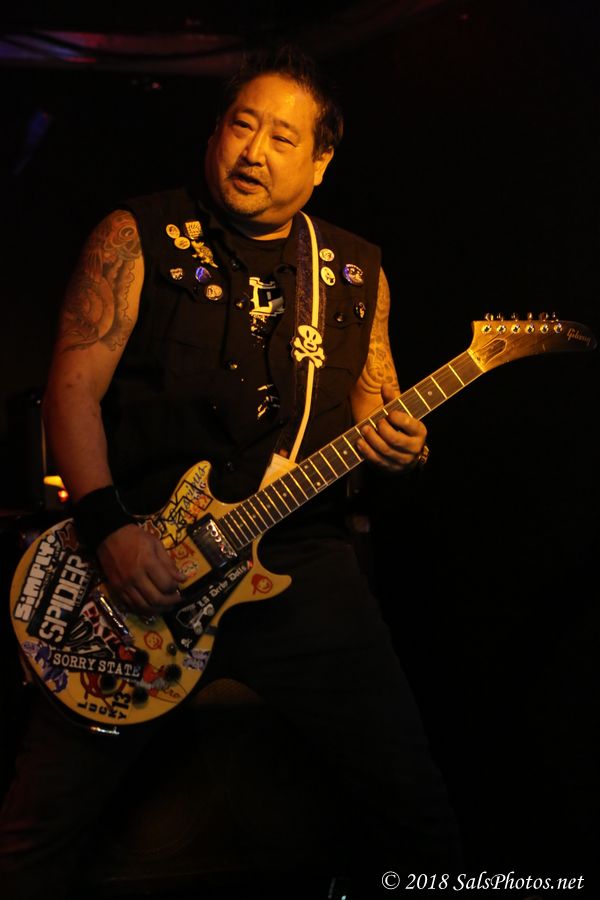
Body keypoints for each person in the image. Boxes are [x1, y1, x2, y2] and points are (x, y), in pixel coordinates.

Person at [0, 44, 461, 898]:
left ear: (320, 162)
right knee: (40, 831)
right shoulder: (136, 235)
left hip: (301, 566)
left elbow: (380, 407)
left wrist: (408, 444)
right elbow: (70, 389)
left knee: (414, 807)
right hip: (142, 560)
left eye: (283, 137)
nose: (255, 151)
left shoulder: (355, 269)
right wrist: (108, 530)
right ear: (216, 133)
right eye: (242, 126)